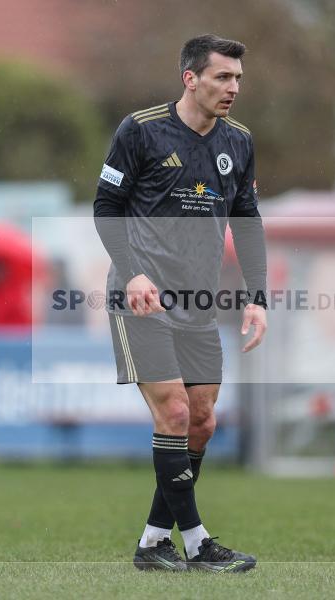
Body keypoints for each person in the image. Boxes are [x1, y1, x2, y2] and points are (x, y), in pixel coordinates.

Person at [93, 34, 266, 572]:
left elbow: (249, 221)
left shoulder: (238, 142)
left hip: (198, 303)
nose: (233, 87)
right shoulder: (140, 130)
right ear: (190, 78)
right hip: (138, 298)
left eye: (237, 77)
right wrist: (134, 272)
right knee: (171, 410)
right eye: (222, 76)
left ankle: (151, 542)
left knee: (202, 419)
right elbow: (106, 208)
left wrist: (257, 297)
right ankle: (197, 543)